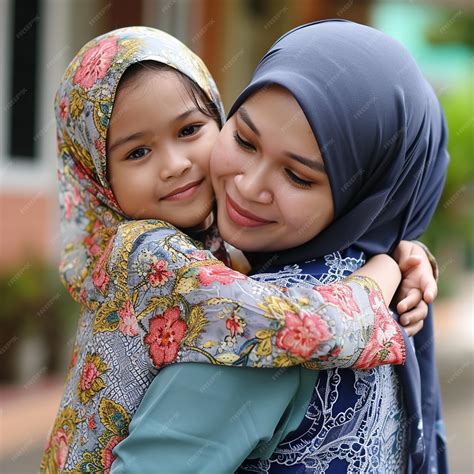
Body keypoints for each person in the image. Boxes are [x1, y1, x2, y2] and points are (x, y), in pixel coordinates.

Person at [111, 21, 448, 473]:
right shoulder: (382, 291)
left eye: (297, 176)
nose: (249, 187)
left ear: (365, 198)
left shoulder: (245, 346)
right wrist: (388, 261)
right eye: (245, 141)